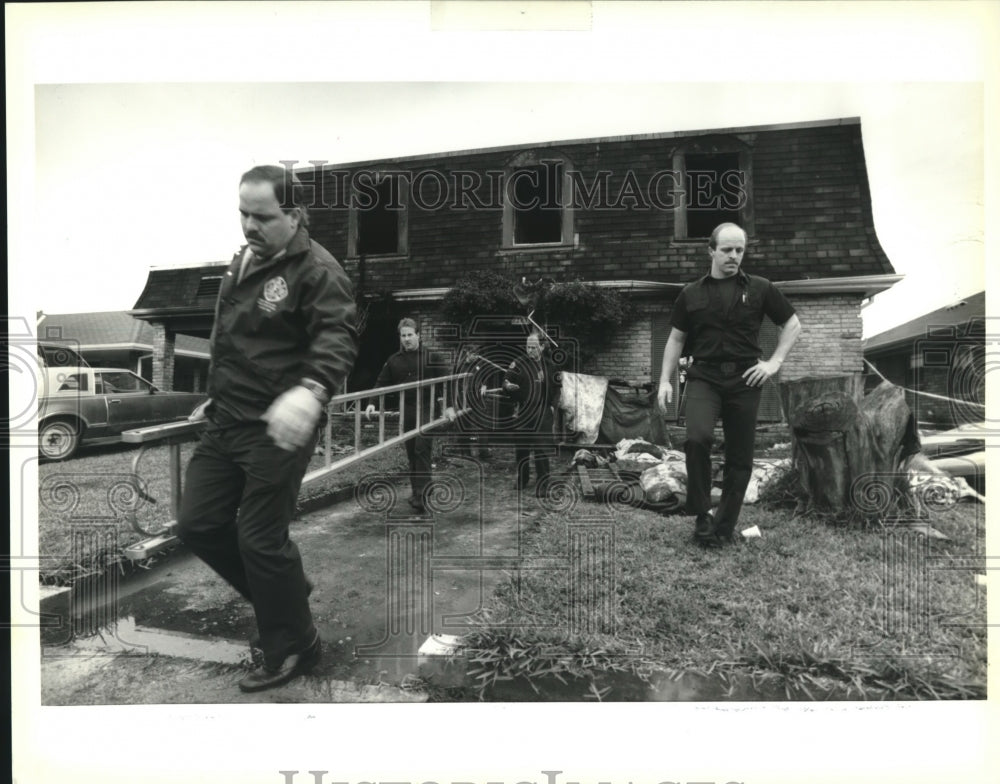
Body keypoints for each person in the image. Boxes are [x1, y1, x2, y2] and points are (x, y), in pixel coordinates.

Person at [176, 165, 358, 692]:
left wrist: (312, 389)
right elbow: (233, 340)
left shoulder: (318, 271)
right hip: (226, 419)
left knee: (259, 539)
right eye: (242, 214)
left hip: (278, 427)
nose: (248, 226)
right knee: (198, 525)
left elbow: (338, 337)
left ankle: (294, 645)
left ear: (294, 214)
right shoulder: (242, 261)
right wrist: (214, 395)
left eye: (261, 216)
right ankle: (286, 592)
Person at [656, 222, 801, 547]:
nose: (734, 256)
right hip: (704, 376)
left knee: (740, 456)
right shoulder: (690, 293)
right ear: (711, 250)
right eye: (727, 250)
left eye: (739, 250)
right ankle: (702, 514)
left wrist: (774, 362)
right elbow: (676, 338)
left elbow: (792, 324)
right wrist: (665, 380)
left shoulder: (761, 288)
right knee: (697, 438)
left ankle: (723, 526)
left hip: (745, 378)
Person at [365, 318, 455, 512]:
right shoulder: (394, 360)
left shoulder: (432, 357)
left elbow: (446, 383)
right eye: (403, 336)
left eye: (410, 335)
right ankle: (419, 490)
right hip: (407, 410)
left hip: (427, 408)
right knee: (412, 451)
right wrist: (372, 404)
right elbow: (381, 383)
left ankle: (421, 496)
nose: (406, 339)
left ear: (418, 335)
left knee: (422, 449)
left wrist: (449, 406)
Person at [503, 331, 561, 497]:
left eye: (533, 347)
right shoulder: (519, 363)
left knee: (541, 449)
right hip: (523, 410)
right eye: (527, 347)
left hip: (543, 411)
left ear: (542, 347)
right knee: (521, 448)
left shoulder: (551, 366)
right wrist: (507, 386)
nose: (529, 350)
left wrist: (553, 407)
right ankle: (523, 479)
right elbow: (506, 379)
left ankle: (543, 484)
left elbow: (557, 390)